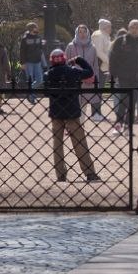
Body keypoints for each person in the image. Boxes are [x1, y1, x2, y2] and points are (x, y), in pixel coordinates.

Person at [44, 49, 100, 183]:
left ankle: (60, 174)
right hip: (72, 111)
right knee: (79, 142)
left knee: (57, 144)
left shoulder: (48, 74)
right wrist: (79, 60)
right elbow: (90, 72)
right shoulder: (72, 71)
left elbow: (46, 93)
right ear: (64, 58)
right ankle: (89, 172)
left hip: (56, 112)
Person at [109, 20, 138, 130]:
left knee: (134, 100)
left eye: (137, 27)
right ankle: (119, 123)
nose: (135, 29)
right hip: (123, 75)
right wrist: (113, 73)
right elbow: (113, 58)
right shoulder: (121, 41)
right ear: (129, 28)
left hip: (137, 76)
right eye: (132, 27)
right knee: (123, 99)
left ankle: (128, 125)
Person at [65, 25, 102, 119]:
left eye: (84, 31)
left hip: (87, 80)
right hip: (74, 80)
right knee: (73, 104)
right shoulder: (70, 46)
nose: (82, 34)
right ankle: (73, 126)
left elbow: (95, 66)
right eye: (80, 31)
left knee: (84, 105)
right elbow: (66, 63)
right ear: (77, 33)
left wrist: (95, 79)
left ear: (87, 33)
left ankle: (80, 126)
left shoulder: (93, 48)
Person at [20, 22, 45, 104]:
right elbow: (22, 52)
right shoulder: (25, 39)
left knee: (40, 80)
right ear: (31, 29)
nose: (37, 28)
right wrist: (22, 63)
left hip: (37, 61)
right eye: (36, 27)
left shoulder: (39, 37)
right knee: (30, 80)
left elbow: (41, 49)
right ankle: (31, 97)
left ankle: (29, 91)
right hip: (28, 62)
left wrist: (43, 62)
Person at [92, 19, 113, 90]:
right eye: (109, 27)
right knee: (99, 86)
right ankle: (96, 100)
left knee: (101, 86)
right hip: (100, 65)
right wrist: (108, 60)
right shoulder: (99, 35)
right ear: (104, 27)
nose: (111, 29)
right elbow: (98, 51)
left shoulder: (105, 36)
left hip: (103, 66)